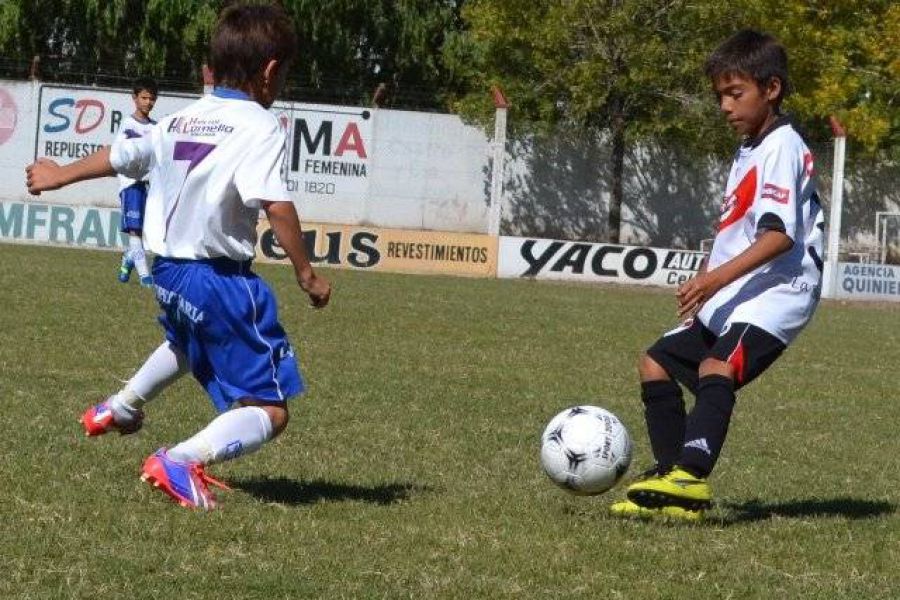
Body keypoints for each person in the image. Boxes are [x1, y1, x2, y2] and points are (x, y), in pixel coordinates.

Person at [25, 3, 331, 510]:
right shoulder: (259, 124)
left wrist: (60, 174)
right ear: (272, 70)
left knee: (190, 344)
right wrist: (306, 273)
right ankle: (182, 459)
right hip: (216, 277)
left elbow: (122, 156)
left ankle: (120, 407)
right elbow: (276, 204)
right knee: (270, 409)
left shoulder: (179, 119)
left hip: (167, 270)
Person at [610, 29, 824, 521]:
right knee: (655, 363)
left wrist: (713, 280)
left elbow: (778, 237)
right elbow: (740, 228)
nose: (725, 107)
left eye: (735, 93)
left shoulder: (780, 147)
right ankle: (671, 483)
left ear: (771, 89)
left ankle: (691, 475)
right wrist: (708, 276)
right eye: (720, 96)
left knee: (716, 366)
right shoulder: (750, 146)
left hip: (780, 288)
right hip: (741, 285)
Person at [116, 77, 158, 286]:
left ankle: (128, 258)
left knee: (148, 233)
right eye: (144, 97)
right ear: (134, 98)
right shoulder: (128, 124)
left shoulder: (156, 127)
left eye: (151, 98)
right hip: (131, 184)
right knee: (135, 230)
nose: (148, 102)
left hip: (149, 186)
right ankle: (144, 276)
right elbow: (124, 154)